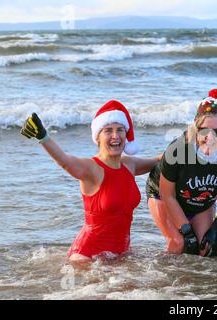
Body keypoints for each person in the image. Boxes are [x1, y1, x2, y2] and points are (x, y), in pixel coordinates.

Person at [20, 100, 160, 263]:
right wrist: (43, 136)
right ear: (98, 138)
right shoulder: (91, 168)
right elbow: (64, 160)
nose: (115, 135)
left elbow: (158, 160)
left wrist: (189, 143)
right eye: (108, 130)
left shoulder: (130, 164)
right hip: (88, 256)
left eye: (120, 130)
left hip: (120, 254)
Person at [146, 88, 217, 257]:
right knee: (179, 243)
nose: (210, 138)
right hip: (164, 196)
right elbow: (167, 195)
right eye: (204, 130)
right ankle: (163, 281)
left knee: (206, 248)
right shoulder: (178, 149)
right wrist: (186, 230)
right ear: (196, 128)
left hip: (202, 201)